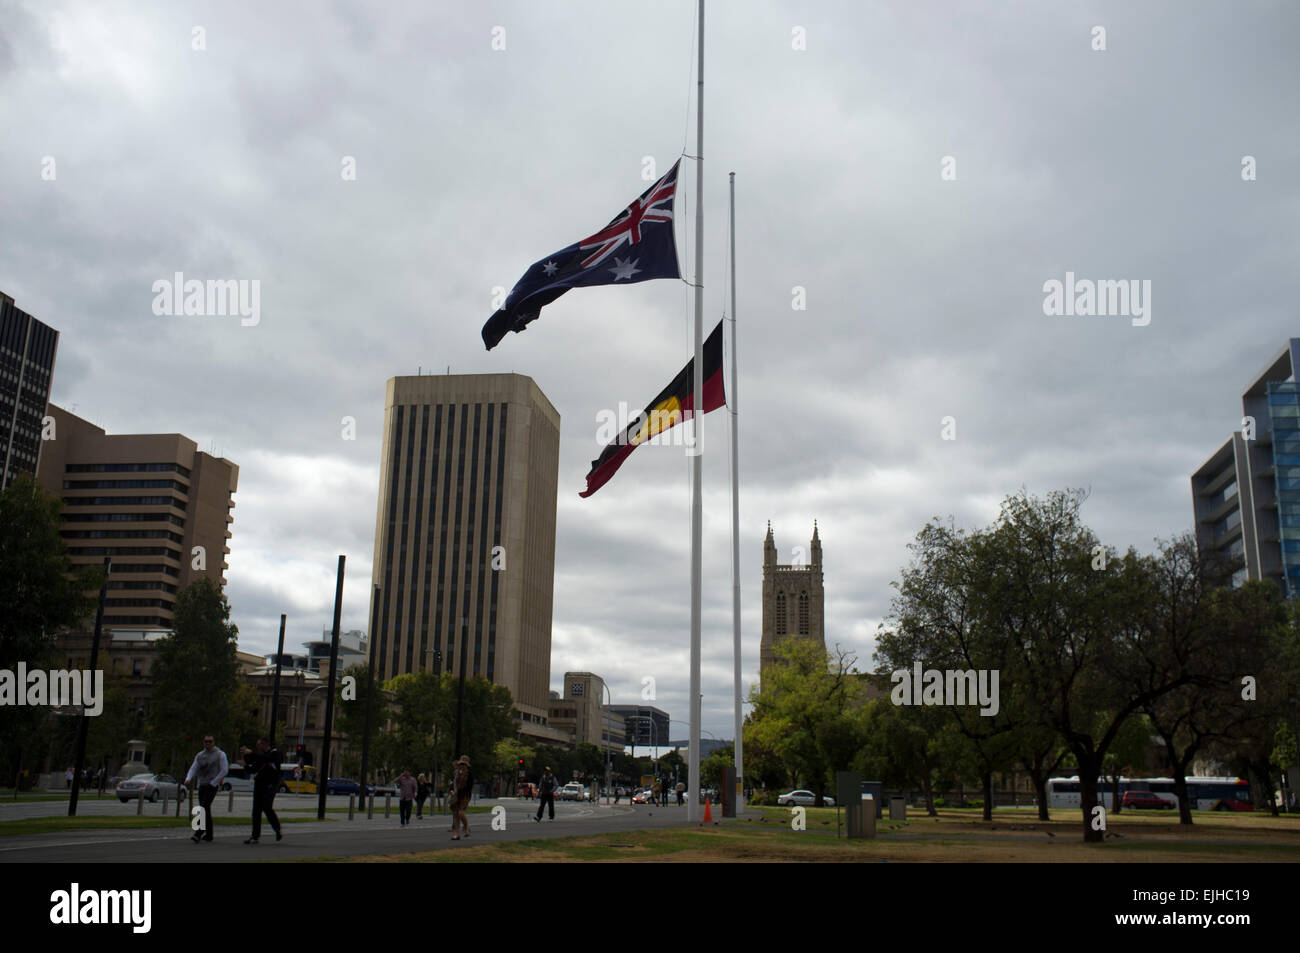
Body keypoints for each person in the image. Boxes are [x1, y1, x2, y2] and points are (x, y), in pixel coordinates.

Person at [183, 734, 228, 843]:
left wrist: (214, 782)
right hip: (202, 784)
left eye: (210, 741)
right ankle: (209, 834)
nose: (208, 743)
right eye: (206, 741)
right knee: (205, 809)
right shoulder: (200, 755)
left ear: (214, 742)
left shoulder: (220, 754)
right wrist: (188, 778)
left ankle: (199, 832)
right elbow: (194, 767)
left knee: (203, 807)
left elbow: (224, 770)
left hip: (212, 785)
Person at [240, 738, 283, 844]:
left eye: (258, 745)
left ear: (264, 744)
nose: (257, 747)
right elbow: (253, 768)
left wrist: (252, 753)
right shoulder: (260, 756)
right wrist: (245, 761)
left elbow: (266, 759)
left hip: (270, 784)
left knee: (267, 806)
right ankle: (255, 836)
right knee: (256, 810)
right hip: (259, 784)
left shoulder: (274, 753)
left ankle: (277, 829)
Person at [450, 756, 473, 839]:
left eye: (463, 764)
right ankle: (457, 833)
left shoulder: (469, 774)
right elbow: (454, 783)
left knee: (461, 812)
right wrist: (453, 791)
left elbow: (469, 786)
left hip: (465, 795)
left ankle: (466, 826)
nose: (462, 766)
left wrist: (459, 790)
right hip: (457, 795)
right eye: (460, 764)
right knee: (456, 814)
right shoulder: (457, 773)